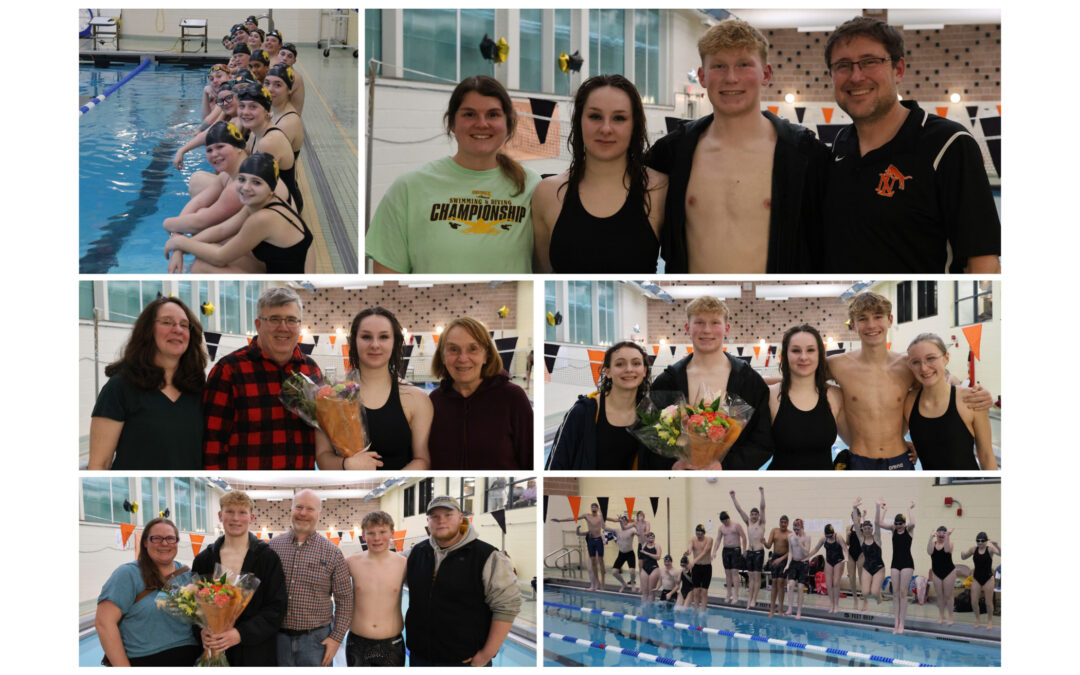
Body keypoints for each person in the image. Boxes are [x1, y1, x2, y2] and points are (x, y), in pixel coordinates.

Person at [646, 18, 827, 273]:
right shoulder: (671, 154)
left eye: (743, 65)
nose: (731, 78)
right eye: (719, 66)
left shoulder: (806, 156)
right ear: (702, 76)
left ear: (765, 74)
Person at [822, 16, 1001, 273]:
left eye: (870, 62)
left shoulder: (949, 144)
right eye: (843, 65)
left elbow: (983, 261)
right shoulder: (840, 145)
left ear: (898, 69)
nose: (856, 76)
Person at [367, 75, 541, 273]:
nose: (482, 124)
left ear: (508, 123)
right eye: (469, 114)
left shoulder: (531, 185)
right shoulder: (409, 188)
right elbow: (388, 278)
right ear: (452, 123)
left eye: (493, 115)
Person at [828, 292, 992, 469]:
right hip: (859, 459)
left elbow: (940, 389)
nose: (871, 325)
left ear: (890, 320)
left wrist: (980, 395)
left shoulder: (907, 366)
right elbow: (800, 376)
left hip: (900, 459)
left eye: (878, 317)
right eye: (862, 319)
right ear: (853, 325)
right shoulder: (837, 365)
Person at [532, 74, 665, 273]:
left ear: (634, 125)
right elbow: (541, 272)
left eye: (619, 118)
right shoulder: (547, 193)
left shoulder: (659, 190)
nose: (606, 128)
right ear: (579, 121)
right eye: (595, 116)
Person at [203, 287, 322, 469]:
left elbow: (322, 432)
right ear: (258, 325)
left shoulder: (311, 369)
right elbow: (212, 443)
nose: (283, 328)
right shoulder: (228, 371)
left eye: (291, 320)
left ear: (299, 325)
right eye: (274, 319)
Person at [648, 296, 773, 469]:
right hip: (682, 481)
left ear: (726, 328)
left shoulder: (749, 381)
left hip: (733, 485)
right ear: (687, 328)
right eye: (699, 322)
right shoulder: (667, 381)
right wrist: (674, 464)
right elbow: (652, 438)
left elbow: (762, 440)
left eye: (715, 323)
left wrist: (726, 466)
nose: (707, 330)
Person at [89, 297, 207, 470]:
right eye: (167, 322)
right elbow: (100, 463)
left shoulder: (199, 389)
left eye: (184, 324)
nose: (177, 329)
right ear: (148, 330)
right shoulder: (120, 388)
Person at [406, 496, 521, 666]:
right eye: (435, 516)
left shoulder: (487, 556)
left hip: (464, 660)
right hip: (420, 657)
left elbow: (507, 606)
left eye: (447, 515)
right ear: (428, 521)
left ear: (460, 518)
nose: (441, 521)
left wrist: (486, 654)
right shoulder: (417, 552)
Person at [315, 306, 432, 470]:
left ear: (395, 342)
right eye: (366, 337)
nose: (375, 344)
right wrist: (346, 464)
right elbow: (322, 456)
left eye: (384, 337)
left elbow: (422, 459)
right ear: (354, 342)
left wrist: (390, 480)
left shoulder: (417, 398)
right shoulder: (330, 396)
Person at [164, 152, 312, 273]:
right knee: (211, 246)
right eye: (241, 179)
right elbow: (221, 230)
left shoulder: (263, 218)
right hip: (279, 265)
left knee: (201, 266)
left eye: (256, 182)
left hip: (290, 281)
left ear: (271, 189)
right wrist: (180, 248)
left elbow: (220, 258)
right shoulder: (260, 203)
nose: (246, 188)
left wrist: (180, 242)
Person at [191, 491, 287, 666]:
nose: (235, 518)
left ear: (251, 517)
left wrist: (240, 633)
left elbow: (276, 608)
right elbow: (194, 606)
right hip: (215, 648)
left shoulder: (267, 558)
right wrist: (202, 631)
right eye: (230, 512)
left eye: (242, 512)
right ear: (220, 516)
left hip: (255, 652)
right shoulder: (204, 559)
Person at [428, 316, 532, 469]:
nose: (463, 358)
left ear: (486, 355)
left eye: (473, 349)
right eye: (453, 349)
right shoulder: (433, 402)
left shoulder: (512, 398)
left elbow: (530, 460)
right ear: (443, 356)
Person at [95, 518, 201, 666]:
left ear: (177, 542)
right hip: (144, 660)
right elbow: (104, 623)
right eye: (156, 538)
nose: (164, 543)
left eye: (170, 538)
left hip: (191, 660)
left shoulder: (187, 575)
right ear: (145, 542)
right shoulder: (128, 574)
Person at [268, 489, 354, 666]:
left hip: (316, 641)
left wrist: (336, 639)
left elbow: (345, 599)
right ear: (291, 509)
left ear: (319, 514)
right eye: (298, 507)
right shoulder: (272, 547)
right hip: (277, 639)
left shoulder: (332, 553)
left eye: (310, 509)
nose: (303, 513)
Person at [547, 341, 651, 469]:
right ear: (607, 372)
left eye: (636, 363)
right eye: (620, 364)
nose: (629, 369)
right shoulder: (582, 412)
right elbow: (557, 463)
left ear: (644, 370)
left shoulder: (650, 414)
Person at [905, 333, 997, 469]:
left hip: (969, 487)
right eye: (916, 362)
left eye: (930, 358)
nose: (924, 368)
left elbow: (986, 455)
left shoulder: (971, 399)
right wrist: (903, 444)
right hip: (930, 488)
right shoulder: (909, 402)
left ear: (946, 358)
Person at [768, 324, 844, 469]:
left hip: (824, 488)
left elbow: (857, 441)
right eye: (796, 350)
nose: (803, 357)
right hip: (779, 487)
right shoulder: (769, 395)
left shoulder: (835, 396)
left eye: (810, 350)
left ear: (820, 355)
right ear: (785, 355)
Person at [345, 511, 408, 667]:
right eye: (371, 533)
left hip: (392, 643)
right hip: (357, 643)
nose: (377, 538)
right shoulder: (351, 562)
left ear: (392, 533)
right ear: (363, 536)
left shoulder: (403, 564)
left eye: (382, 532)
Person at [236, 83, 303, 213]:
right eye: (242, 106)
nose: (245, 112)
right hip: (268, 196)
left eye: (253, 107)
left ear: (267, 112)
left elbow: (255, 189)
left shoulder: (269, 142)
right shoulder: (256, 132)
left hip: (285, 207)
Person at [552, 503, 607, 591]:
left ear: (597, 508)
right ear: (590, 508)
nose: (593, 508)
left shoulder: (600, 526)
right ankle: (593, 585)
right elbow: (573, 518)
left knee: (595, 567)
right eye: (592, 506)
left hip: (597, 551)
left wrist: (604, 541)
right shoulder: (588, 527)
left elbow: (603, 536)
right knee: (589, 569)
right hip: (591, 552)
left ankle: (598, 584)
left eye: (595, 507)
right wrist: (560, 520)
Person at [730, 488, 766, 609]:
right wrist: (733, 497)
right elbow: (739, 510)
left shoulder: (761, 523)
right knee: (750, 578)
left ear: (759, 516)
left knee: (757, 577)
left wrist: (762, 493)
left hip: (758, 552)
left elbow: (762, 507)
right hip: (750, 553)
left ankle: (754, 599)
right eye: (752, 514)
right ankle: (750, 598)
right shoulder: (748, 523)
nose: (754, 516)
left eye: (756, 514)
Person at [960, 532, 1000, 629]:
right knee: (973, 601)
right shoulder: (974, 549)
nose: (980, 542)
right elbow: (964, 557)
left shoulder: (990, 550)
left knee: (988, 602)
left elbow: (1001, 554)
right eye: (978, 540)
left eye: (982, 541)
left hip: (988, 578)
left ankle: (990, 621)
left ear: (986, 541)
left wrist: (997, 545)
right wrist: (962, 553)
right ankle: (978, 619)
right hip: (977, 578)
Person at [852, 498, 885, 611]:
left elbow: (877, 523)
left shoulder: (877, 538)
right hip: (867, 567)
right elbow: (856, 525)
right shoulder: (861, 539)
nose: (866, 530)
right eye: (865, 528)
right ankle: (869, 600)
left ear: (871, 529)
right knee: (865, 592)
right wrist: (855, 508)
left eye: (868, 528)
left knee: (875, 593)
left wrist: (877, 507)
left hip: (879, 567)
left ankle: (878, 595)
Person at [806, 524, 847, 614]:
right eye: (828, 536)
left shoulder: (838, 537)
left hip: (839, 560)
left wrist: (846, 557)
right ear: (825, 535)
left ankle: (836, 605)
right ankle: (832, 604)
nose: (830, 538)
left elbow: (845, 549)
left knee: (836, 583)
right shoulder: (823, 539)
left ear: (833, 533)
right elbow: (816, 549)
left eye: (831, 536)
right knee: (828, 584)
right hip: (829, 561)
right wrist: (807, 556)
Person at [265, 63, 304, 158]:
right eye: (267, 83)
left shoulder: (288, 123)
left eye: (277, 85)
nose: (270, 89)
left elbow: (264, 162)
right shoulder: (276, 113)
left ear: (289, 90)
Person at [710, 511, 747, 605]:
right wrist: (714, 551)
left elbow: (744, 537)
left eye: (725, 521)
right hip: (726, 551)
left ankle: (736, 595)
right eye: (723, 522)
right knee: (727, 573)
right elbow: (718, 540)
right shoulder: (721, 528)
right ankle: (728, 593)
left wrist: (744, 549)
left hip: (735, 550)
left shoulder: (736, 525)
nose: (725, 523)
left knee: (735, 572)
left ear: (728, 518)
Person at [782, 518, 812, 618]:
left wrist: (799, 543)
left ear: (802, 527)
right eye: (794, 529)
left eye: (798, 529)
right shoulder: (790, 536)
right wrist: (787, 564)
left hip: (803, 563)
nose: (796, 531)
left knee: (800, 588)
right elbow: (790, 552)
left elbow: (806, 553)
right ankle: (790, 608)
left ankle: (799, 611)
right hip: (794, 563)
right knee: (790, 585)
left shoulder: (807, 537)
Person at [927, 526, 957, 625]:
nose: (941, 534)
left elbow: (947, 550)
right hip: (936, 572)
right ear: (936, 534)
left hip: (949, 572)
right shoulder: (933, 544)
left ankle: (951, 617)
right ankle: (941, 615)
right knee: (939, 595)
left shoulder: (950, 543)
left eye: (943, 533)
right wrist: (930, 538)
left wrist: (948, 536)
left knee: (948, 595)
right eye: (939, 532)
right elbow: (929, 552)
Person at [765, 515, 791, 618]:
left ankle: (780, 609)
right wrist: (764, 543)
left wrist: (781, 559)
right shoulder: (774, 531)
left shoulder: (790, 534)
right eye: (782, 522)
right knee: (774, 582)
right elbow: (768, 545)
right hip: (775, 558)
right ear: (779, 522)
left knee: (781, 582)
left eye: (785, 522)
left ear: (787, 523)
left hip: (784, 559)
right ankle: (772, 609)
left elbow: (790, 551)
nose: (783, 524)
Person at [684, 524, 714, 612]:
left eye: (701, 532)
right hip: (696, 568)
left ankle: (703, 611)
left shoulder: (709, 540)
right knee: (696, 591)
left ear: (704, 533)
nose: (699, 534)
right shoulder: (693, 539)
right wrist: (687, 552)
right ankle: (696, 610)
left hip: (707, 567)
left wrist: (693, 561)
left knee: (704, 591)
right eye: (697, 532)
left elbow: (704, 552)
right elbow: (690, 548)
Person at [610, 515, 639, 592]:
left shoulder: (632, 530)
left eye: (624, 520)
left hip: (630, 553)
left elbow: (638, 533)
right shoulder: (617, 530)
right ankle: (624, 583)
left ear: (627, 522)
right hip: (621, 554)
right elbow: (605, 528)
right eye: (621, 520)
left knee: (632, 571)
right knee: (614, 572)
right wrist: (602, 518)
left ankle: (633, 583)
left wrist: (638, 526)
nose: (622, 522)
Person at [275, 43, 306, 113]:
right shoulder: (282, 73)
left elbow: (274, 98)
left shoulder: (294, 77)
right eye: (282, 54)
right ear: (277, 55)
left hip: (290, 119)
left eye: (289, 56)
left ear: (294, 61)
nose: (284, 58)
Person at [845, 506, 866, 609]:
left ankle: (864, 600)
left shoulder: (863, 527)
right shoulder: (849, 528)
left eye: (856, 516)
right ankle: (855, 600)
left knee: (862, 578)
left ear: (859, 517)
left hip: (861, 554)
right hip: (851, 554)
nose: (854, 518)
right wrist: (848, 535)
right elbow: (847, 543)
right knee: (852, 578)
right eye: (853, 517)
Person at [638, 532, 663, 603]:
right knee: (644, 592)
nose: (651, 539)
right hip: (644, 568)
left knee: (651, 591)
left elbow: (658, 557)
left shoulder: (657, 545)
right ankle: (644, 610)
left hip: (654, 568)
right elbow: (641, 558)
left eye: (653, 538)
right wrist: (640, 568)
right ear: (647, 538)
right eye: (650, 538)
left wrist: (647, 553)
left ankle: (651, 610)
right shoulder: (644, 545)